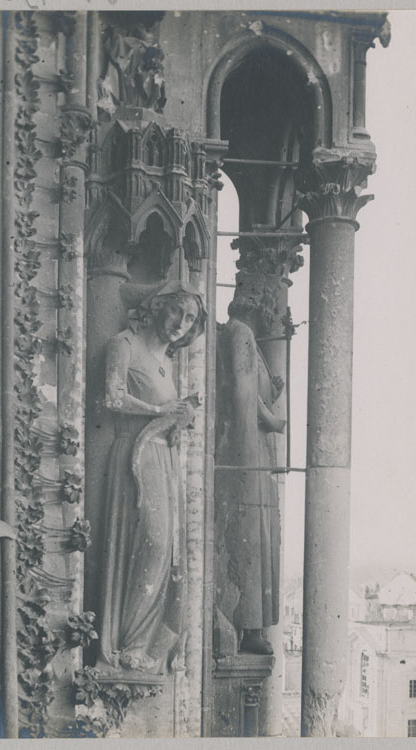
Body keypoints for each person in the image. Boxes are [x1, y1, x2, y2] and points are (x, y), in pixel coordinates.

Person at [96, 280, 206, 675]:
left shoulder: (168, 363)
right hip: (135, 456)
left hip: (165, 457)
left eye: (190, 318)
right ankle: (128, 643)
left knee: (170, 553)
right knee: (153, 542)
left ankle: (146, 649)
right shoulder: (123, 345)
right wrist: (161, 412)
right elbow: (111, 398)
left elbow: (163, 411)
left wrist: (177, 420)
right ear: (158, 306)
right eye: (176, 311)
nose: (180, 323)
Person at [215, 270, 285, 656]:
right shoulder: (240, 333)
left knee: (258, 533)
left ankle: (252, 625)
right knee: (250, 532)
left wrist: (269, 397)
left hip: (253, 451)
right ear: (259, 303)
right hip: (245, 453)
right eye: (272, 306)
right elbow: (242, 395)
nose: (275, 314)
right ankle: (246, 624)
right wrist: (271, 419)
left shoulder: (247, 338)